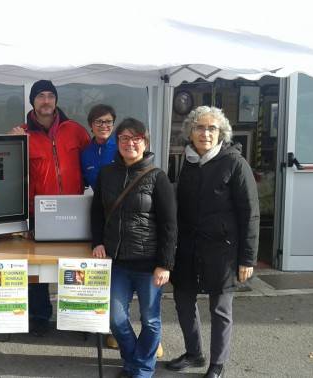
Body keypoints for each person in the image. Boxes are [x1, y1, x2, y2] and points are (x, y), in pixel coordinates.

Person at [166, 106, 259, 378]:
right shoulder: (186, 161)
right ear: (190, 132)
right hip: (188, 248)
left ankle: (218, 363)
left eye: (211, 128)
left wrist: (247, 259)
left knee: (220, 308)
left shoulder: (235, 163)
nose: (205, 133)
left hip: (223, 250)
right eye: (199, 127)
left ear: (221, 133)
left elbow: (250, 214)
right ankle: (194, 353)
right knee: (183, 300)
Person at [91, 118, 177, 378]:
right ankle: (133, 360)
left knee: (150, 320)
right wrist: (97, 241)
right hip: (117, 262)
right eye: (124, 138)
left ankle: (141, 370)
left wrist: (165, 263)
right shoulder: (106, 174)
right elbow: (96, 213)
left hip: (150, 264)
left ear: (145, 142)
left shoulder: (157, 176)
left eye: (136, 138)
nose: (130, 143)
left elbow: (170, 224)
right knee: (115, 319)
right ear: (117, 143)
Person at [9, 79, 90, 336]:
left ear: (56, 100)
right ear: (32, 101)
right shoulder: (21, 133)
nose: (46, 101)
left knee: (74, 264)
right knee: (36, 268)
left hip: (73, 210)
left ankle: (76, 316)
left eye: (50, 96)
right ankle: (40, 315)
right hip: (37, 212)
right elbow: (9, 172)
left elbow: (89, 164)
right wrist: (10, 142)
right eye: (40, 96)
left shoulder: (75, 130)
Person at [80, 104, 118, 189]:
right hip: (97, 201)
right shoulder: (85, 154)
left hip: (123, 201)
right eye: (98, 121)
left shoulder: (121, 148)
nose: (104, 126)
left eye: (108, 121)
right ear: (91, 125)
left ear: (113, 124)